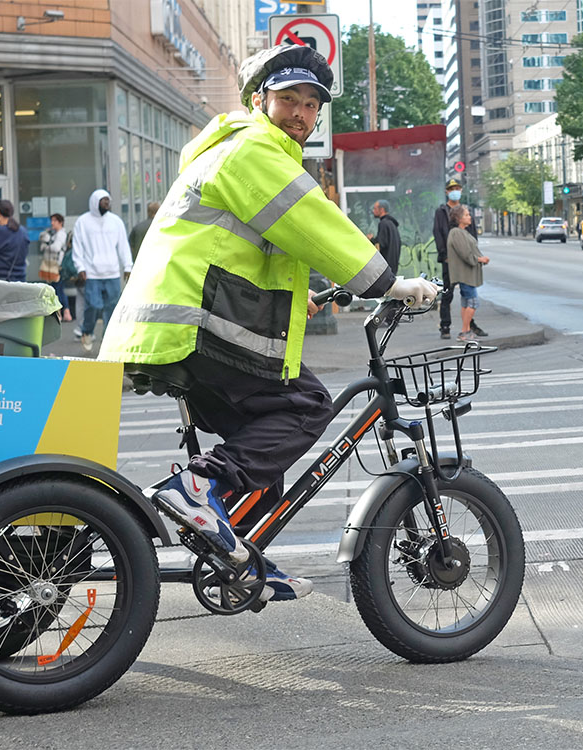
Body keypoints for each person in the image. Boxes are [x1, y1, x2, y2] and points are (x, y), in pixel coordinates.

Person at [98, 44, 437, 603]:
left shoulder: (239, 150)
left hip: (176, 324)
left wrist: (299, 298)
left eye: (311, 105)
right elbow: (317, 226)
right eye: (288, 100)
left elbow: (254, 249)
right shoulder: (256, 149)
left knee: (261, 445)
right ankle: (196, 489)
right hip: (192, 325)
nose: (301, 114)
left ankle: (239, 556)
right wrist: (392, 284)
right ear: (261, 101)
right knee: (304, 406)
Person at [71, 189, 132, 352]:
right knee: (93, 305)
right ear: (95, 202)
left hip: (112, 272)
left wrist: (127, 266)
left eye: (108, 200)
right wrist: (80, 267)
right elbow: (77, 246)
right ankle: (87, 332)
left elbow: (123, 245)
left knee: (112, 307)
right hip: (92, 273)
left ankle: (108, 337)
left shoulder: (116, 221)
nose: (107, 203)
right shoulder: (83, 222)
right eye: (104, 200)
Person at [433, 178, 485, 339]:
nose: (455, 191)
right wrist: (444, 255)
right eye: (452, 188)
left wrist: (476, 254)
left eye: (457, 188)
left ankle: (469, 326)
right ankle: (445, 326)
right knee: (448, 293)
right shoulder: (442, 211)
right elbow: (438, 234)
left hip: (465, 259)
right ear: (447, 192)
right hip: (450, 259)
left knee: (467, 292)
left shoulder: (465, 211)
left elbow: (472, 233)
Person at [446, 205, 489, 342]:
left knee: (466, 303)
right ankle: (465, 331)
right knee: (472, 303)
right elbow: (465, 253)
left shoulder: (461, 232)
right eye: (466, 215)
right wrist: (479, 259)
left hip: (466, 274)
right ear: (458, 218)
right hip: (465, 274)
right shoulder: (457, 232)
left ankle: (466, 331)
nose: (469, 216)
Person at [39, 213, 72, 321]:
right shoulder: (55, 234)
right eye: (51, 221)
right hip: (54, 265)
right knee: (58, 288)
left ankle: (63, 312)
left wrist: (47, 246)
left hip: (58, 265)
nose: (52, 223)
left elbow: (56, 248)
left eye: (54, 221)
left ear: (60, 222)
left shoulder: (61, 234)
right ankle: (65, 312)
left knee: (58, 289)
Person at [370, 199, 401, 274]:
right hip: (393, 265)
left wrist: (372, 240)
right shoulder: (391, 224)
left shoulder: (383, 224)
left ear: (382, 209)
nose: (373, 211)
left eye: (375, 208)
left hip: (386, 266)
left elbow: (382, 244)